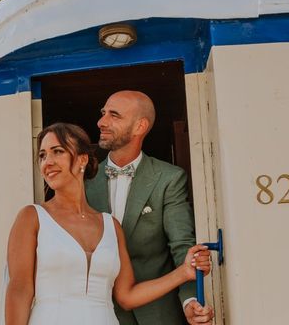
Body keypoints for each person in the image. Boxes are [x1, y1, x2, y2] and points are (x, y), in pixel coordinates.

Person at [5, 122, 211, 324]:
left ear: (82, 160)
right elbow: (19, 290)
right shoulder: (32, 217)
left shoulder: (110, 226)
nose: (47, 162)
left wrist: (183, 272)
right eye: (42, 155)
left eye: (57, 151)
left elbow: (127, 296)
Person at [85, 90, 214, 325]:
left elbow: (181, 247)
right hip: (98, 313)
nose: (101, 122)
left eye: (114, 115)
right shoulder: (84, 181)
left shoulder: (169, 178)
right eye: (103, 113)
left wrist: (190, 301)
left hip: (157, 314)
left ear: (139, 127)